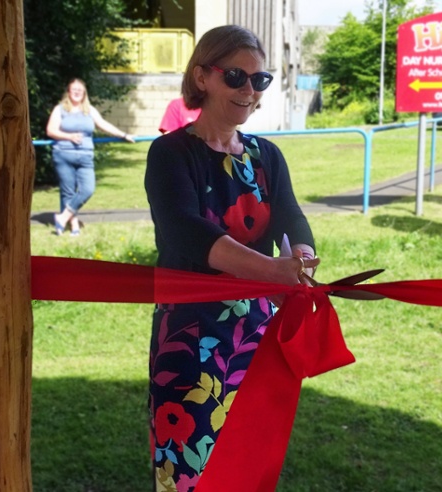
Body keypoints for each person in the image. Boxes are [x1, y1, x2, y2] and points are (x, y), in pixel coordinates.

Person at [144, 25, 319, 490]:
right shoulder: (170, 153)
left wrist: (301, 261)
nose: (249, 91)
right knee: (188, 466)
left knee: (249, 459)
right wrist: (273, 272)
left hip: (257, 334)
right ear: (202, 76)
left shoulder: (268, 155)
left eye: (259, 81)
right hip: (190, 337)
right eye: (237, 77)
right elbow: (186, 234)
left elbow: (292, 220)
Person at [46, 78, 135, 236]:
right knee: (68, 192)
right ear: (68, 92)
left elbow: (103, 124)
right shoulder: (60, 109)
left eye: (80, 90)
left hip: (85, 157)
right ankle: (73, 226)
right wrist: (69, 137)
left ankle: (62, 217)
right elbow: (51, 130)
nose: (77, 92)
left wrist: (124, 134)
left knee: (88, 189)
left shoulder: (89, 110)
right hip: (64, 155)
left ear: (84, 93)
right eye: (74, 89)